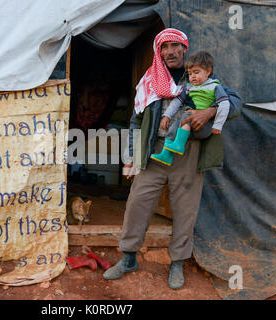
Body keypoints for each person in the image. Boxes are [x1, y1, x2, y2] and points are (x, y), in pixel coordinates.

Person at [103, 28, 241, 289]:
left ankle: (177, 262)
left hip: (188, 154)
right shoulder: (150, 81)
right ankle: (129, 257)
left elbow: (235, 101)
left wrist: (210, 111)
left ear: (184, 48)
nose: (169, 52)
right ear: (159, 52)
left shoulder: (202, 77)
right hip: (154, 153)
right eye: (164, 47)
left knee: (185, 211)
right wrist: (130, 155)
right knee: (137, 204)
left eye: (174, 46)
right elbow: (136, 121)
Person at [150, 51, 230, 166]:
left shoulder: (215, 86)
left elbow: (224, 104)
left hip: (204, 124)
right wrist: (167, 115)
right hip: (189, 117)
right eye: (190, 73)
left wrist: (218, 125)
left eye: (196, 72)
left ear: (208, 72)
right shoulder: (189, 88)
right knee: (173, 126)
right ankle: (166, 155)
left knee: (185, 119)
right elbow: (177, 101)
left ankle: (179, 144)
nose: (192, 76)